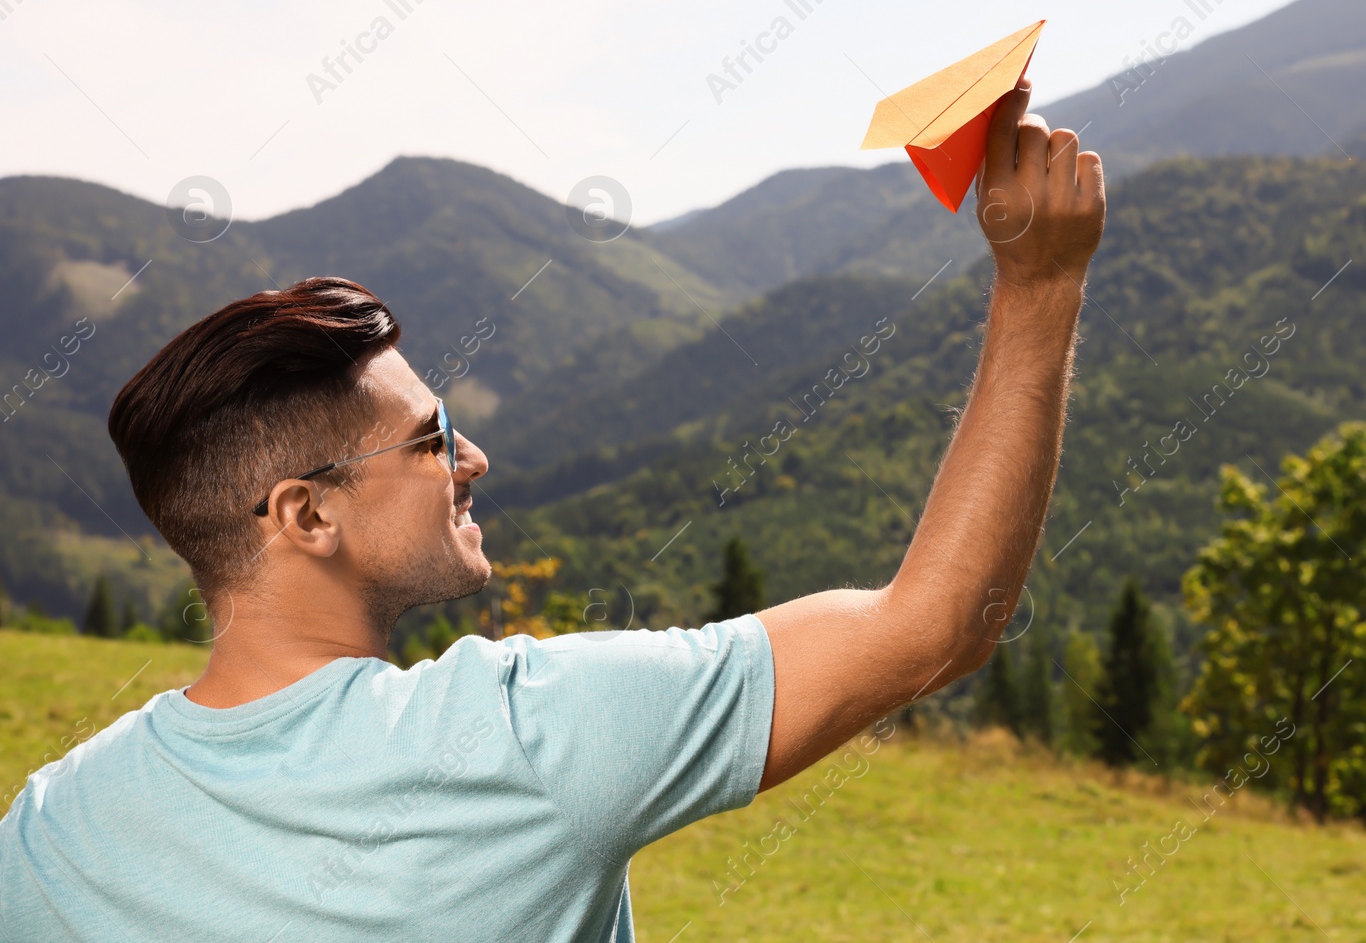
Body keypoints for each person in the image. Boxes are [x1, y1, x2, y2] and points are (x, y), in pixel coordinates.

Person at [0, 78, 1104, 941]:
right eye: (429, 438)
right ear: (303, 516)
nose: (471, 454)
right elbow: (940, 621)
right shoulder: (522, 733)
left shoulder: (51, 828)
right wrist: (1038, 284)